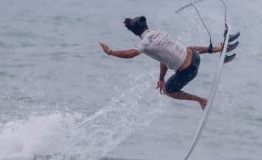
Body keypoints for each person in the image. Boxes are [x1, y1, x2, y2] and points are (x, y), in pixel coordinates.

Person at [99, 16, 239, 110]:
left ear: (134, 32)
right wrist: (161, 78)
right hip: (196, 57)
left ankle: (201, 100)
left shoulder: (144, 43)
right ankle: (217, 48)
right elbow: (164, 59)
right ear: (146, 24)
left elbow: (130, 54)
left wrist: (111, 52)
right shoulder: (158, 32)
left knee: (169, 91)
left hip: (189, 71)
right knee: (187, 49)